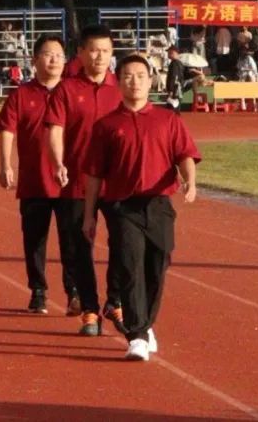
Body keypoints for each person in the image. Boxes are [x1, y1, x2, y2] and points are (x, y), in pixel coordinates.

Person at [82, 54, 200, 361]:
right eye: (127, 76)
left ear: (151, 81)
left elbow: (185, 155)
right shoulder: (106, 126)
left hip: (158, 204)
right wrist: (89, 215)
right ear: (118, 82)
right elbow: (94, 174)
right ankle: (136, 334)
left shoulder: (168, 120)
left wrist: (190, 181)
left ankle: (146, 324)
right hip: (122, 207)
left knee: (157, 266)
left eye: (140, 76)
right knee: (130, 265)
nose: (134, 81)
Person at [46, 24, 124, 336]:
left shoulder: (122, 87)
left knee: (124, 243)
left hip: (116, 183)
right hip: (77, 181)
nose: (99, 56)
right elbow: (55, 130)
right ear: (80, 53)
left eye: (105, 51)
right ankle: (90, 309)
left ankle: (115, 300)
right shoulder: (66, 90)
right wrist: (58, 162)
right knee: (79, 247)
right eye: (93, 50)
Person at [0, 35, 80, 315]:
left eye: (59, 55)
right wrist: (5, 164)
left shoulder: (72, 93)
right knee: (35, 240)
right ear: (34, 59)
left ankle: (74, 290)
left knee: (72, 239)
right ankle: (38, 291)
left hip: (69, 183)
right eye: (47, 54)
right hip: (34, 180)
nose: (54, 59)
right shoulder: (21, 95)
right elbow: (7, 130)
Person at [165, 47, 186, 111]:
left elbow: (173, 77)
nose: (168, 54)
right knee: (175, 107)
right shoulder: (179, 63)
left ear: (173, 53)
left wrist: (171, 90)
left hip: (175, 89)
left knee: (172, 108)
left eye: (169, 52)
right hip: (178, 88)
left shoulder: (174, 63)